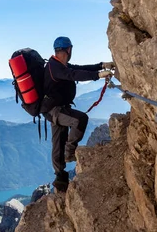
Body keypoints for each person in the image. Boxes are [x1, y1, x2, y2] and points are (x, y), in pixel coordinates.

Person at [41, 36, 114, 192]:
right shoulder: (55, 67)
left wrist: (101, 66)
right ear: (68, 50)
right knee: (80, 120)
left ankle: (60, 179)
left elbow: (80, 69)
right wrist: (98, 76)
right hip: (55, 110)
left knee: (57, 143)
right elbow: (73, 75)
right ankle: (70, 152)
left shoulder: (58, 65)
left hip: (54, 109)